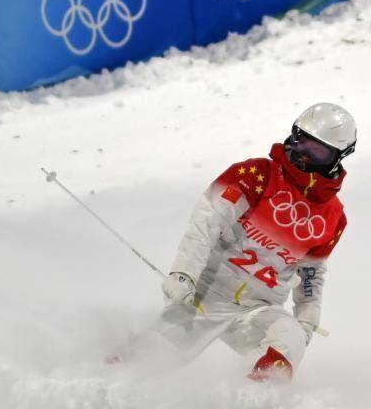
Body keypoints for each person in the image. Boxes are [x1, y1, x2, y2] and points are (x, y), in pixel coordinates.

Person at [118, 103, 356, 381]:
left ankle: (254, 401)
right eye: (301, 140)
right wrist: (184, 273)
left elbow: (312, 274)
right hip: (207, 295)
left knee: (289, 335)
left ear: (338, 157)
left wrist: (307, 317)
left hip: (258, 308)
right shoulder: (257, 175)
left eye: (318, 151)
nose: (303, 153)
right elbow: (207, 222)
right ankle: (99, 388)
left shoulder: (333, 217)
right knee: (147, 361)